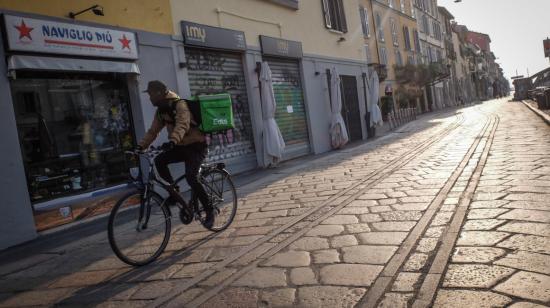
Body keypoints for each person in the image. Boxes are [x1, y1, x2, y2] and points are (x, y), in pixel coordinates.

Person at [137, 80, 214, 227]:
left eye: (151, 94)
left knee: (192, 177)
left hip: (196, 146)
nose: (150, 98)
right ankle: (175, 193)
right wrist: (140, 146)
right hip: (180, 146)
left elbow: (182, 125)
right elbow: (153, 131)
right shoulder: (161, 111)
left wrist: (173, 140)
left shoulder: (180, 105)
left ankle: (209, 211)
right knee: (160, 161)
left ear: (160, 93)